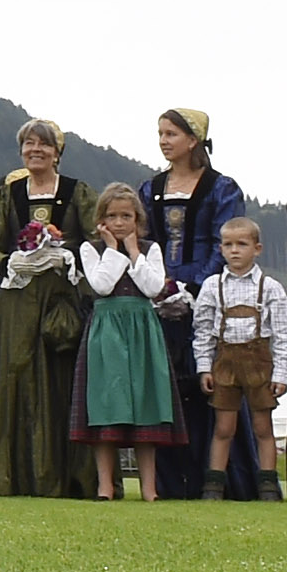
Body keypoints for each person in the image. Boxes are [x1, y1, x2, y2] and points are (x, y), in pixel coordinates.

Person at [142, 110, 252, 500]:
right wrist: (157, 284)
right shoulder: (151, 187)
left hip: (207, 297)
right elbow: (146, 239)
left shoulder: (222, 188)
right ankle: (170, 480)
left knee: (212, 383)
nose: (163, 140)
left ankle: (222, 477)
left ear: (193, 140)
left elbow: (228, 241)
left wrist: (193, 287)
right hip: (160, 296)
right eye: (160, 133)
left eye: (171, 133)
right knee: (165, 385)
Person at [0, 119, 92, 498]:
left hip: (60, 299)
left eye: (43, 145)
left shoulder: (78, 193)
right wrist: (10, 262)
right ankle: (12, 477)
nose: (35, 151)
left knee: (59, 381)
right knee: (16, 379)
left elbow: (95, 239)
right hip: (18, 298)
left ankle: (64, 477)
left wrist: (68, 257)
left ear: (57, 152)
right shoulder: (8, 193)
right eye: (28, 144)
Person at [73, 185, 182, 502]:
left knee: (145, 404)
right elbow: (101, 285)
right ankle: (105, 486)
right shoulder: (91, 249)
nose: (119, 223)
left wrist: (134, 252)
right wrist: (113, 250)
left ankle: (150, 488)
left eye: (126, 216)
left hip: (141, 330)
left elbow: (152, 288)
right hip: (106, 330)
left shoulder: (150, 250)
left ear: (138, 219)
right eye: (112, 216)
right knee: (106, 405)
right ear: (101, 220)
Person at [193, 217, 287, 502]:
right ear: (220, 248)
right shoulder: (212, 286)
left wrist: (282, 375)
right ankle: (214, 486)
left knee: (263, 426)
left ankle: (269, 486)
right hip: (224, 363)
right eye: (228, 244)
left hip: (259, 364)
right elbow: (202, 332)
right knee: (224, 428)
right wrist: (203, 367)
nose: (234, 250)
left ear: (257, 248)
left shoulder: (270, 287)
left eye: (242, 244)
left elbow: (284, 336)